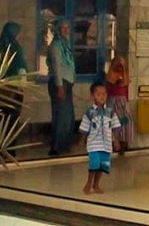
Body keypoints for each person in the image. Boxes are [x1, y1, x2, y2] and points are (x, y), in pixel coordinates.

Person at [79, 82, 121, 194]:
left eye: (104, 94)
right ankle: (89, 182)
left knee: (102, 166)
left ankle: (96, 184)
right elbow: (85, 127)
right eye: (98, 94)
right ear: (93, 96)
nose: (101, 96)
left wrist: (116, 140)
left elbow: (115, 127)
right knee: (94, 163)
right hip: (93, 143)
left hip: (106, 144)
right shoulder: (90, 112)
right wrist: (83, 139)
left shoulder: (110, 112)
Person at [47, 18, 75, 155]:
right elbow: (57, 67)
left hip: (67, 83)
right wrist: (60, 87)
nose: (66, 30)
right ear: (58, 30)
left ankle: (64, 144)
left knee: (67, 116)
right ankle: (56, 146)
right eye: (63, 28)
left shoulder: (66, 45)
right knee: (60, 115)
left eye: (67, 27)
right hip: (59, 83)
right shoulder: (56, 46)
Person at [0, 21, 28, 122]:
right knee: (12, 118)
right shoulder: (16, 48)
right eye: (17, 33)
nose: (19, 35)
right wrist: (23, 86)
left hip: (0, 89)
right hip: (14, 89)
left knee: (2, 117)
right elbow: (21, 68)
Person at [105, 56, 134, 154]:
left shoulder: (124, 74)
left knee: (126, 122)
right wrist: (116, 66)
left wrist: (124, 68)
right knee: (114, 122)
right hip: (113, 101)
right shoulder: (111, 74)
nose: (120, 67)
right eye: (118, 64)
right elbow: (111, 80)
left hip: (123, 102)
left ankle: (124, 142)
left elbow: (124, 83)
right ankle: (114, 143)